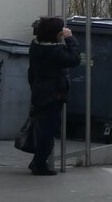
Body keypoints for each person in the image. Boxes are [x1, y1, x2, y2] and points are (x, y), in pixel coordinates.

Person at [26, 16, 81, 176]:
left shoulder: (35, 47)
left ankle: (38, 161)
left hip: (39, 92)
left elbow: (32, 72)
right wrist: (70, 38)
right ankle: (39, 163)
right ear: (55, 34)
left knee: (44, 127)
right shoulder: (54, 52)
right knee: (48, 130)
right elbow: (75, 59)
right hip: (53, 95)